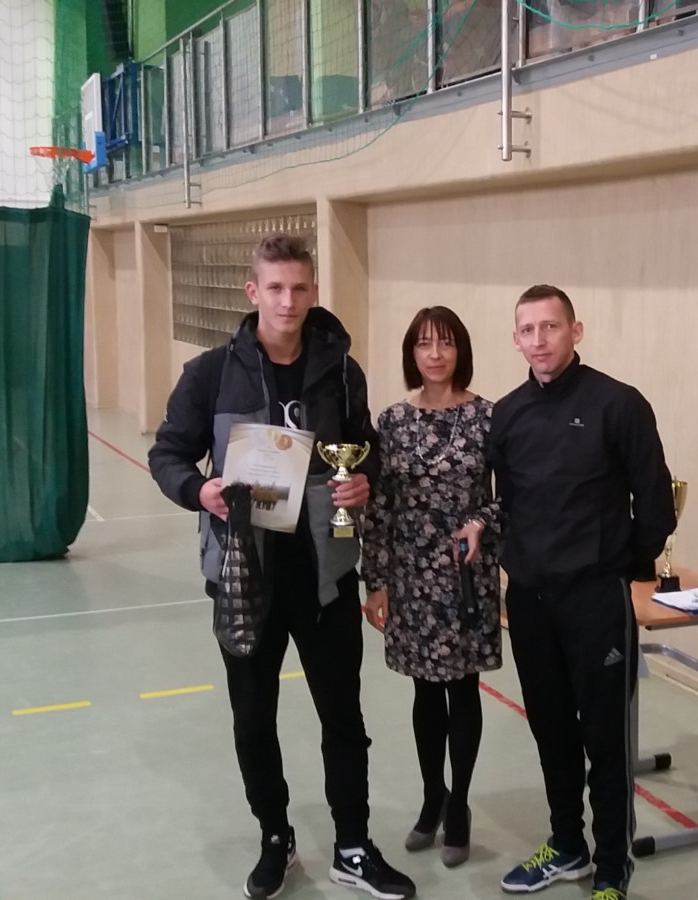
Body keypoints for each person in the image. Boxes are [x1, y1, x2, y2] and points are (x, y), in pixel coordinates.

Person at [147, 234, 415, 900]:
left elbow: (365, 448)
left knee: (343, 718)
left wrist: (364, 480)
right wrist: (200, 490)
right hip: (246, 576)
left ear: (313, 291)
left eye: (298, 288)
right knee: (253, 721)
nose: (288, 301)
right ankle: (275, 837)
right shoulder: (211, 373)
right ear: (253, 292)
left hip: (325, 575)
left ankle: (352, 846)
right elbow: (168, 454)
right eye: (275, 288)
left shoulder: (342, 371)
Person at [485, 285, 675, 900]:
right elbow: (507, 502)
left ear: (576, 330)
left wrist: (625, 566)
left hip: (596, 599)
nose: (539, 340)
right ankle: (567, 844)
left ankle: (613, 865)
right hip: (530, 601)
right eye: (528, 330)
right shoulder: (507, 413)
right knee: (550, 729)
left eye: (551, 326)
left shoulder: (618, 404)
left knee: (604, 737)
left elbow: (654, 502)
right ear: (515, 340)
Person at [361, 306, 503, 869]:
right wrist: (375, 581)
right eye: (424, 344)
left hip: (466, 574)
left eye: (445, 343)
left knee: (463, 690)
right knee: (424, 692)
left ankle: (460, 805)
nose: (435, 354)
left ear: (460, 350)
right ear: (412, 354)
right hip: (411, 576)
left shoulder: (488, 417)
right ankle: (431, 797)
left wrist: (482, 522)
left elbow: (511, 494)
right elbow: (380, 507)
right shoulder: (393, 421)